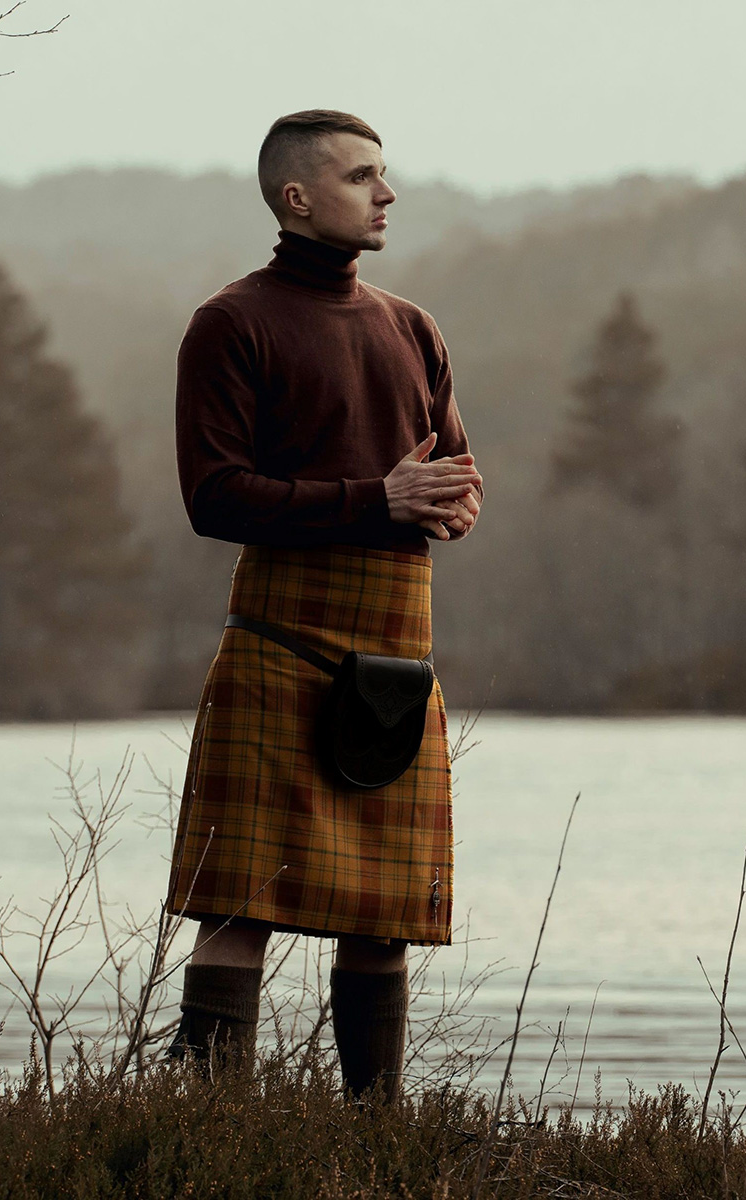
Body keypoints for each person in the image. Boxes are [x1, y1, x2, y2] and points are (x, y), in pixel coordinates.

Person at [162, 110, 483, 1101]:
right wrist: (375, 500)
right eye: (361, 177)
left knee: (384, 918)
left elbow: (457, 470)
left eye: (384, 176)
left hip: (396, 647)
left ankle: (373, 1132)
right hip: (280, 634)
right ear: (298, 198)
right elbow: (213, 496)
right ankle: (212, 1130)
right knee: (239, 905)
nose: (385, 193)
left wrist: (454, 504)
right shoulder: (233, 323)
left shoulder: (412, 328)